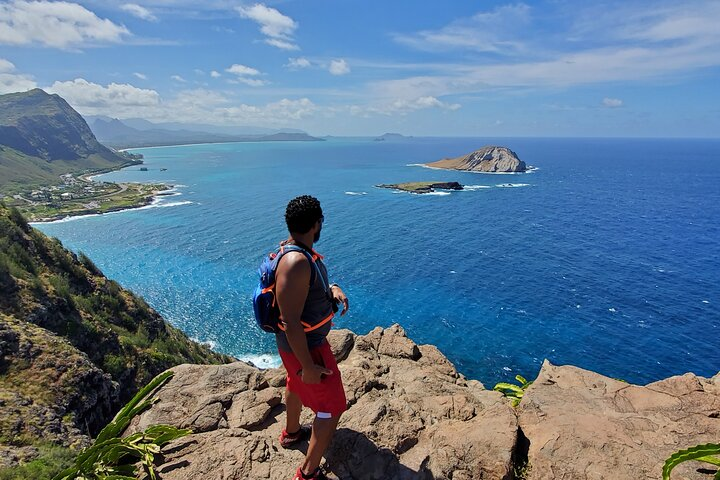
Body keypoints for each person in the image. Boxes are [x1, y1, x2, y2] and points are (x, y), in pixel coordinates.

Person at [275, 195, 349, 480]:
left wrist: (332, 287)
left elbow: (301, 294)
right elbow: (290, 321)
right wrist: (308, 366)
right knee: (332, 407)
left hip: (294, 347)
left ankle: (292, 433)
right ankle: (307, 473)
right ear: (316, 223)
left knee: (294, 382)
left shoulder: (295, 252)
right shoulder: (296, 261)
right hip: (307, 347)